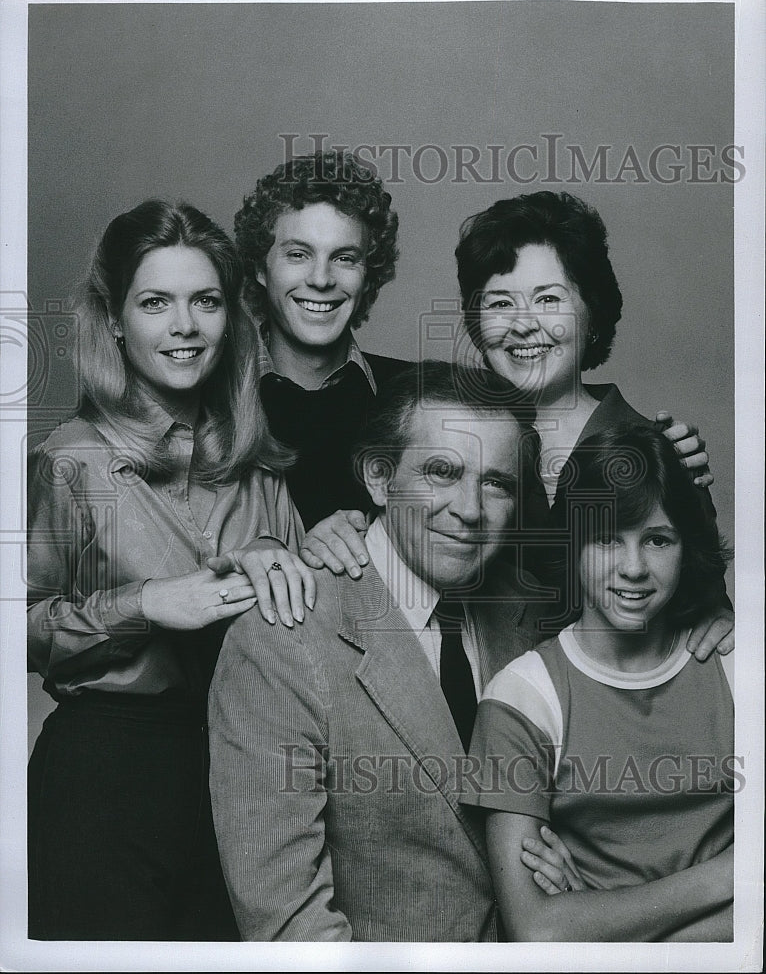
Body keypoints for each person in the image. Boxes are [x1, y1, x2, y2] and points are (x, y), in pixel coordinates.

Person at [27, 199, 312, 941]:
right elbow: (19, 627)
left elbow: (312, 641)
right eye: (156, 302)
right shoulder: (72, 459)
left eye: (205, 301)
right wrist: (146, 603)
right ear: (116, 320)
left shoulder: (260, 466)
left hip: (243, 773)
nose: (184, 327)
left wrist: (288, 559)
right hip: (107, 774)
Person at [303, 190, 733, 659]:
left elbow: (708, 615)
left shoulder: (660, 453)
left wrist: (726, 624)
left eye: (548, 300)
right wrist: (342, 529)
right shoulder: (439, 426)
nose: (524, 325)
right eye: (500, 304)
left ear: (593, 314)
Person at [208, 360, 555, 941]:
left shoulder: (527, 619)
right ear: (377, 477)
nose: (471, 509)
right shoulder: (281, 638)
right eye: (442, 472)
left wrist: (716, 628)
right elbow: (290, 925)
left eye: (496, 482)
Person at [460, 425, 734, 942]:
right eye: (607, 538)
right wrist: (730, 875)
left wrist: (598, 915)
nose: (633, 568)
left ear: (685, 546)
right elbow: (535, 929)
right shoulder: (522, 698)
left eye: (657, 539)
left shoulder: (736, 667)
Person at [232, 149, 412, 530]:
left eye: (344, 258)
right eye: (298, 254)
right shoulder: (215, 398)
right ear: (260, 269)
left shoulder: (411, 397)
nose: (321, 279)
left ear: (369, 276)